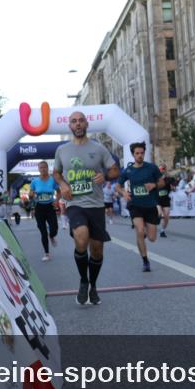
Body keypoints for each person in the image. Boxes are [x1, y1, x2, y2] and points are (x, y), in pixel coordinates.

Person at [53, 112, 120, 306]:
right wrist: (63, 185)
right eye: (74, 121)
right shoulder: (62, 150)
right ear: (70, 126)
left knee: (97, 250)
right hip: (75, 203)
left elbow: (115, 170)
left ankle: (93, 285)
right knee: (81, 237)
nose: (78, 124)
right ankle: (83, 280)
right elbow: (56, 173)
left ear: (87, 124)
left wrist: (106, 176)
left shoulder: (99, 149)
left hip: (96, 205)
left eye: (81, 120)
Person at [116, 142, 164, 272]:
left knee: (152, 238)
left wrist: (153, 185)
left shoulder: (152, 168)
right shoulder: (129, 170)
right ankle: (145, 261)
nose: (140, 155)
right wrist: (124, 193)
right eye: (137, 153)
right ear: (133, 154)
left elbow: (162, 182)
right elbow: (118, 186)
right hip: (135, 205)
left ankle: (142, 234)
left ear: (144, 153)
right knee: (139, 230)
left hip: (150, 205)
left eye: (142, 153)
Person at [29, 161, 59, 262]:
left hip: (50, 207)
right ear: (38, 169)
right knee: (43, 232)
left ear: (47, 168)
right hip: (39, 208)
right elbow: (30, 194)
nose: (43, 169)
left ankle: (52, 235)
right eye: (41, 168)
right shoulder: (34, 181)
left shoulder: (52, 180)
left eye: (44, 167)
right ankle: (47, 253)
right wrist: (31, 194)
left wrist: (57, 200)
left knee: (54, 228)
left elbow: (59, 191)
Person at [157, 163, 174, 238]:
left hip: (166, 199)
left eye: (163, 169)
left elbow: (173, 186)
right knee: (159, 213)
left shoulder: (168, 178)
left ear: (165, 169)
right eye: (160, 169)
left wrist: (172, 187)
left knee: (166, 216)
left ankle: (162, 230)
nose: (161, 170)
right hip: (157, 199)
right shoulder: (156, 178)